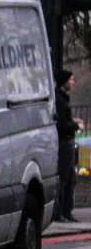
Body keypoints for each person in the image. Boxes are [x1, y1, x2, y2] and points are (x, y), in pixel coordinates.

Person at [54, 69, 80, 222]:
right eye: (71, 79)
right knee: (64, 178)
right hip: (64, 143)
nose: (73, 82)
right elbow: (62, 124)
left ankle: (66, 211)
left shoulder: (63, 99)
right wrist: (76, 125)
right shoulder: (60, 100)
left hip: (67, 142)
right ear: (64, 81)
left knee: (70, 178)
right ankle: (60, 212)